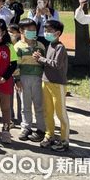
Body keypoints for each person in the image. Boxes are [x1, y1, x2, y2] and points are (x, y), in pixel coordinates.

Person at [33, 20, 70, 152]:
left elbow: (56, 64)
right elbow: (48, 63)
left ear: (57, 33)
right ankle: (50, 135)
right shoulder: (50, 45)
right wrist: (40, 58)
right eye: (46, 30)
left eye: (49, 31)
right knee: (47, 111)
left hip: (58, 84)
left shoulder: (60, 47)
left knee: (60, 113)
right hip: (46, 81)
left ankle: (64, 140)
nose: (46, 33)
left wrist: (41, 59)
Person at [14, 18, 46, 143]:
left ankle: (41, 129)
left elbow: (45, 63)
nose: (32, 32)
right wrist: (17, 80)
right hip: (23, 79)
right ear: (21, 31)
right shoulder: (17, 47)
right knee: (25, 105)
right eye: (29, 30)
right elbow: (15, 65)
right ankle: (26, 128)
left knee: (39, 105)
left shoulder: (40, 45)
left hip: (38, 78)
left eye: (34, 30)